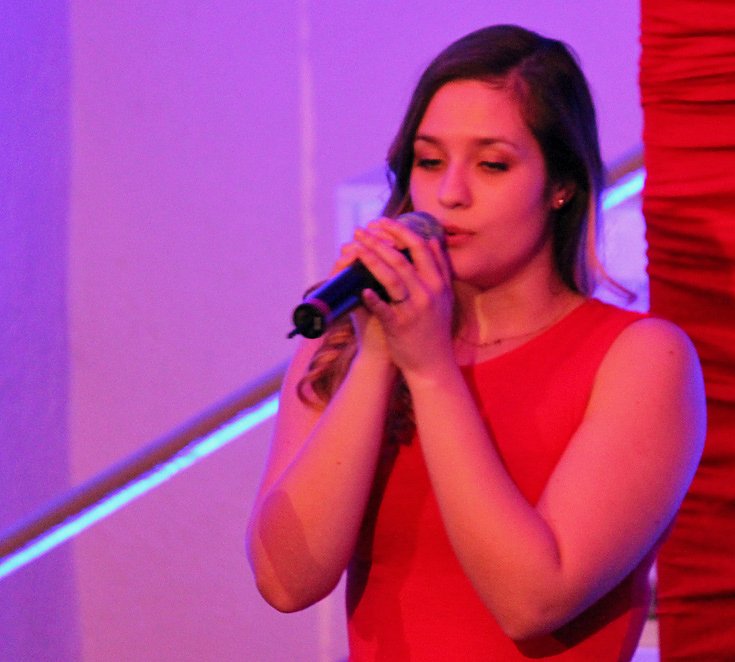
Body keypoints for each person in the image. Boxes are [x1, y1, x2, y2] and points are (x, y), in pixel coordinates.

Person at [246, 24, 706, 661]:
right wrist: (378, 355)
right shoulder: (348, 348)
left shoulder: (641, 358)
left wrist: (430, 370)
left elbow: (532, 601)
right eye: (430, 162)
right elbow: (286, 582)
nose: (450, 193)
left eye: (491, 164)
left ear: (561, 184)